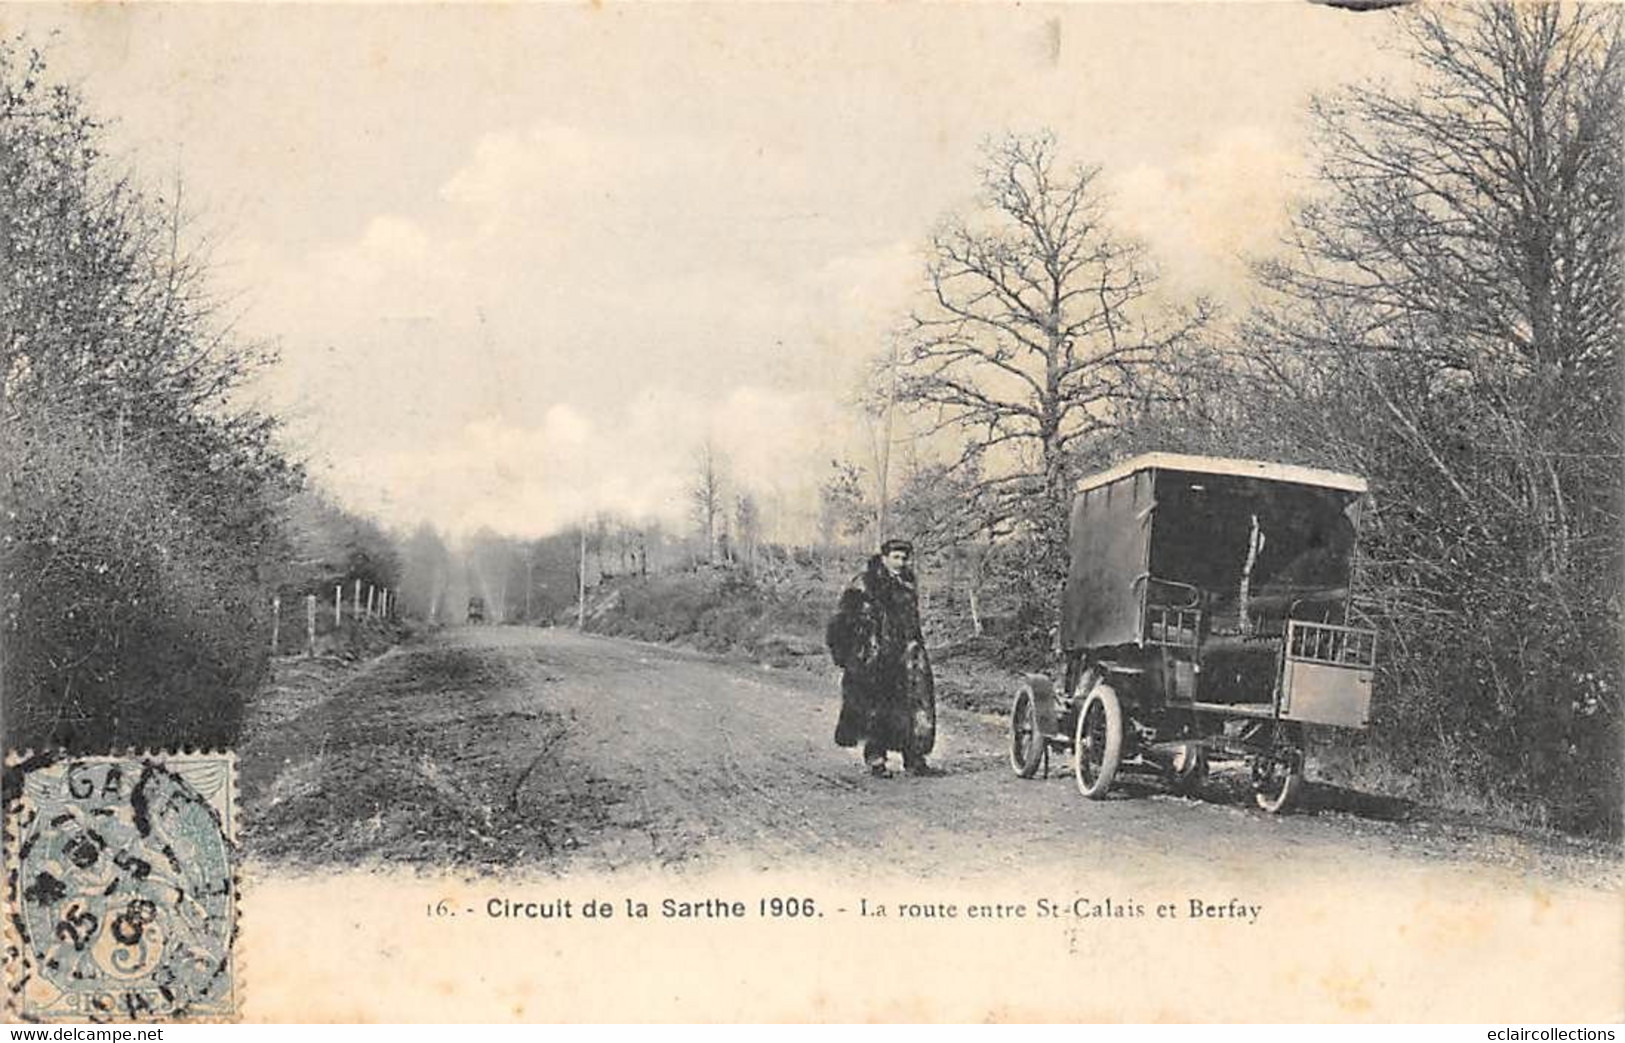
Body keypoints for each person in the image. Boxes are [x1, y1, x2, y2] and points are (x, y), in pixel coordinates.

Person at [825, 538, 941, 777]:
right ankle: (876, 759)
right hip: (875, 657)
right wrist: (846, 655)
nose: (900, 562)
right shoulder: (865, 583)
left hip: (907, 655)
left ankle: (914, 759)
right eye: (895, 557)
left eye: (904, 557)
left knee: (913, 706)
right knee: (877, 707)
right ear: (885, 557)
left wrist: (917, 647)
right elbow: (841, 621)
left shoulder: (908, 583)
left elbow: (912, 620)